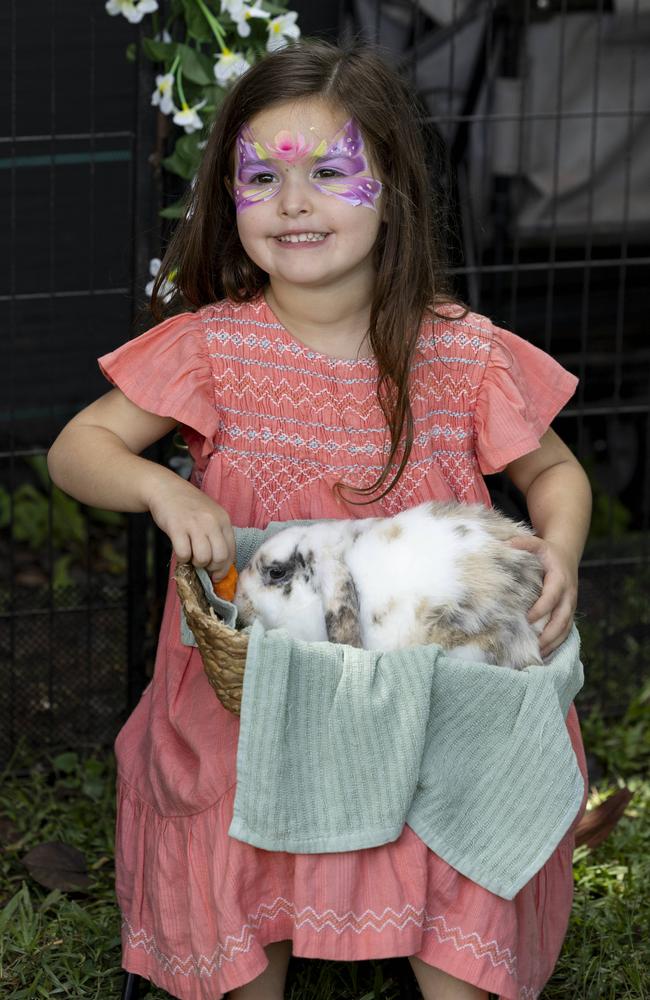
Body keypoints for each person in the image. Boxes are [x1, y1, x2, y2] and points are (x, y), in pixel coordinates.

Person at [47, 39, 592, 1000]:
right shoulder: (212, 348)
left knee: (461, 771)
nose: (294, 202)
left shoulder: (459, 351)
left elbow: (555, 472)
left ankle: (459, 966)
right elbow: (78, 448)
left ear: (393, 190)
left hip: (422, 679)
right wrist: (167, 487)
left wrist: (562, 549)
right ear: (230, 196)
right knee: (228, 783)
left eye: (331, 172)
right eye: (263, 177)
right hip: (261, 678)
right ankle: (246, 962)